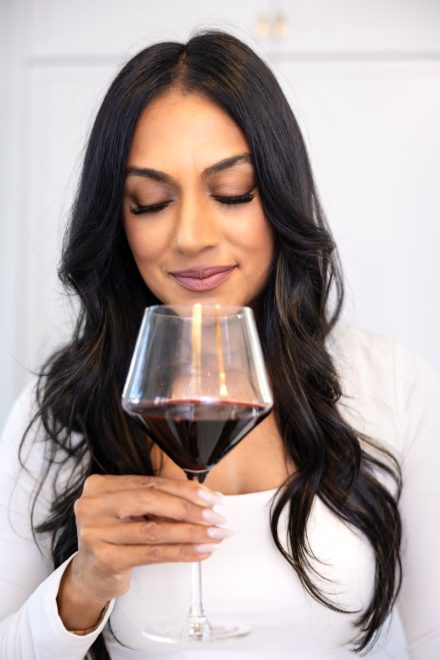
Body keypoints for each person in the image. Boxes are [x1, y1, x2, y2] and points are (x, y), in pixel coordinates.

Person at [0, 30, 438, 660]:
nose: (192, 236)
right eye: (150, 202)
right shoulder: (61, 408)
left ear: (281, 198)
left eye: (232, 193)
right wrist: (80, 589)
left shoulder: (392, 385)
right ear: (117, 220)